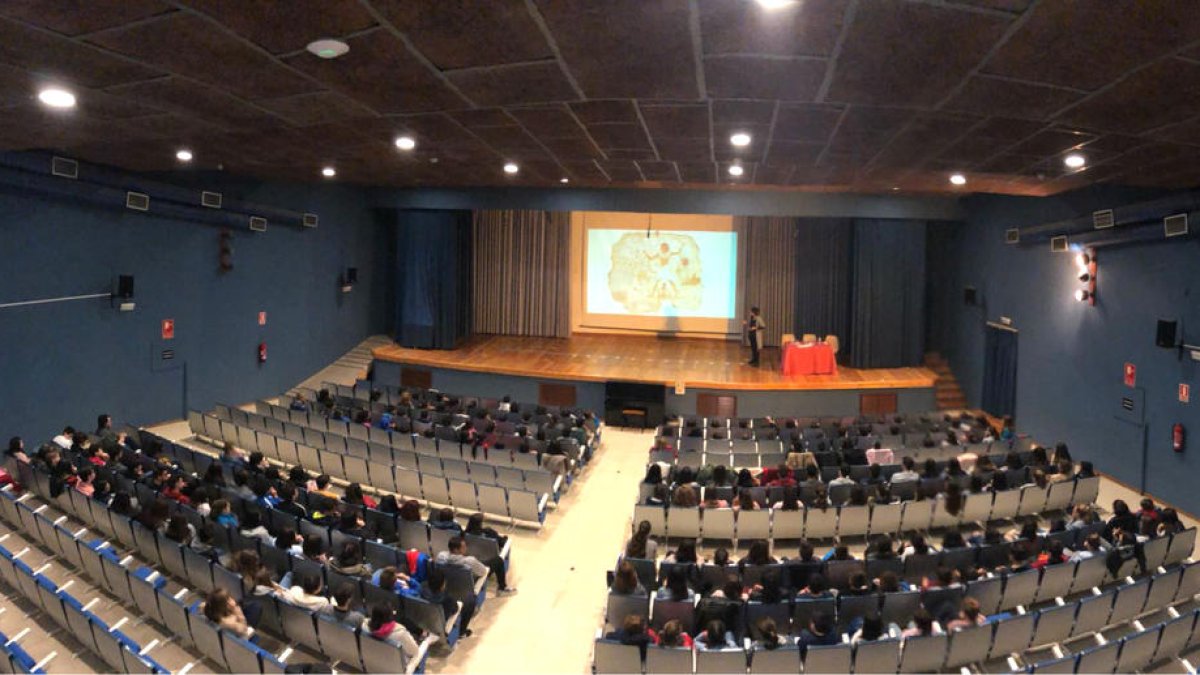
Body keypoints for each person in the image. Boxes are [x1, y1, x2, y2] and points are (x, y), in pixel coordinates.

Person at [436, 536, 516, 594]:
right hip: (470, 582)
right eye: (463, 547)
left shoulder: (441, 556)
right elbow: (484, 572)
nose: (466, 548)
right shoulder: (470, 561)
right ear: (456, 550)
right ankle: (502, 588)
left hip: (451, 581)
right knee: (498, 560)